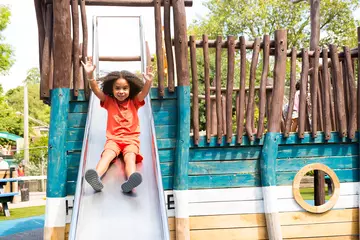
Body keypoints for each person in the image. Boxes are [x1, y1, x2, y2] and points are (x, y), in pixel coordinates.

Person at [81, 57, 153, 193]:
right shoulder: (108, 101)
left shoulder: (134, 101)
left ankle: (131, 179)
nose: (121, 91)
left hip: (131, 140)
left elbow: (144, 93)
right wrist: (90, 75)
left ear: (130, 89)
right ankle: (96, 176)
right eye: (117, 88)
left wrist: (148, 82)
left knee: (130, 157)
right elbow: (96, 90)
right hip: (113, 140)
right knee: (107, 155)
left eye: (125, 88)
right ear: (112, 89)